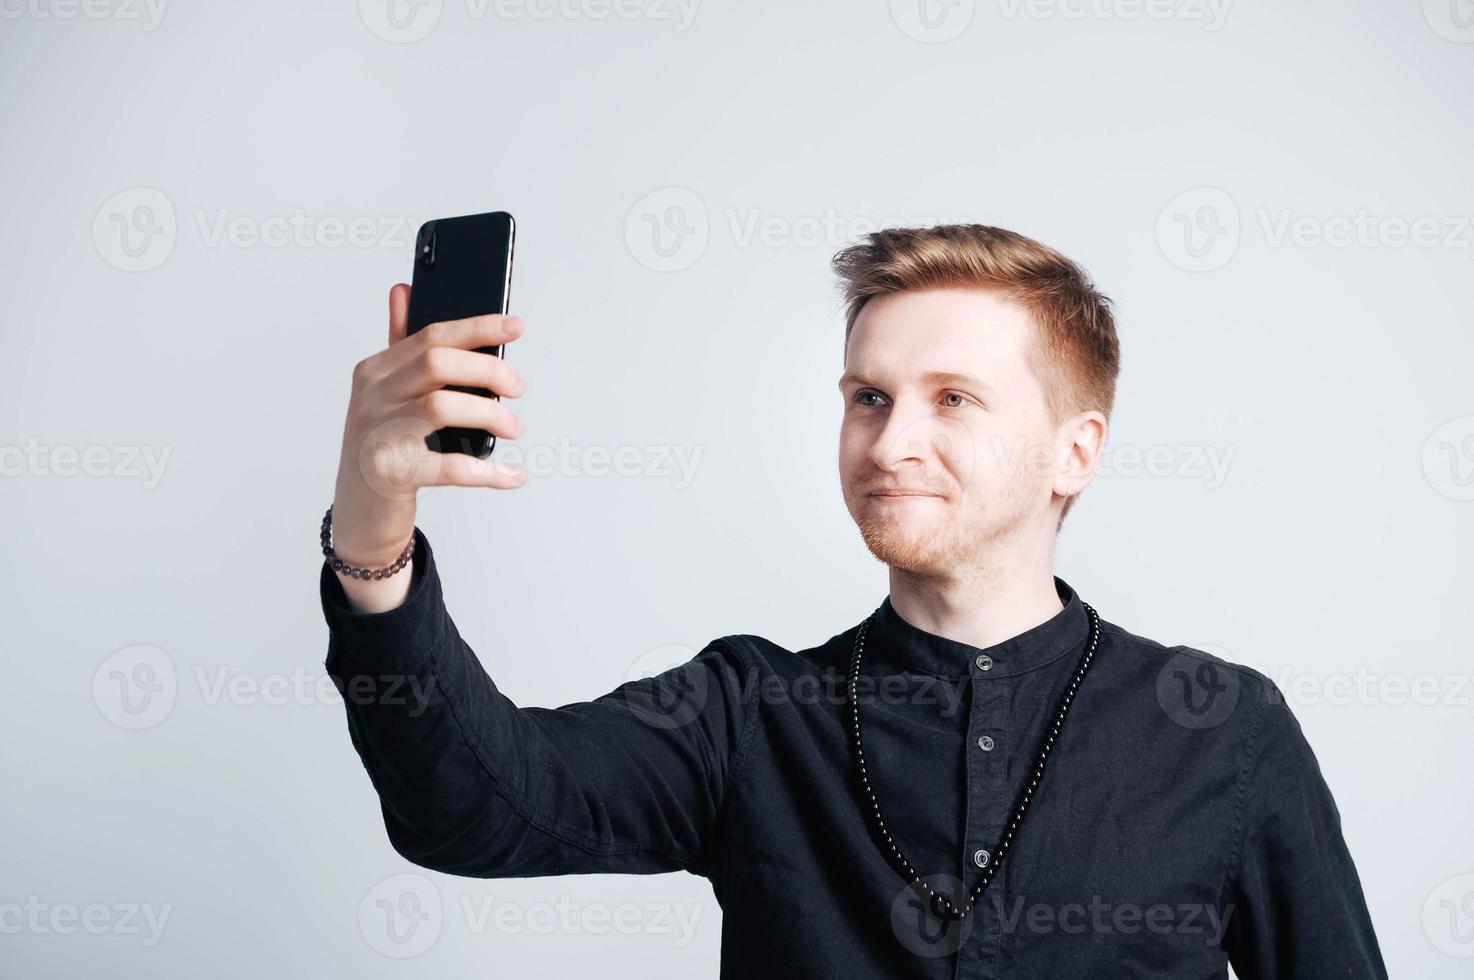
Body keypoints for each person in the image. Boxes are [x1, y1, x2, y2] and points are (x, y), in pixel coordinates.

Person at [319, 224, 1388, 978]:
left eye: (952, 399)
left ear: (1075, 451)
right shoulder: (746, 710)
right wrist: (373, 526)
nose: (888, 442)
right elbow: (473, 807)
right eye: (866, 397)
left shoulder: (1223, 728)